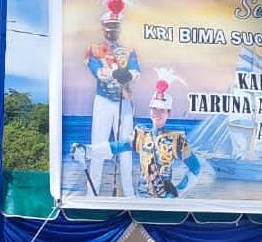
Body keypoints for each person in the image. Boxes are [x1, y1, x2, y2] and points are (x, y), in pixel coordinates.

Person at [76, 69, 201, 199]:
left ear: (168, 113)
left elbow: (196, 168)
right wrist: (87, 150)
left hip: (164, 203)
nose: (157, 113)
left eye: (161, 110)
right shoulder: (141, 136)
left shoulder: (176, 140)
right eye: (154, 109)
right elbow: (115, 147)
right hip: (140, 200)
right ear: (150, 110)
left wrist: (178, 191)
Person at [84, 0, 139, 196]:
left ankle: (129, 193)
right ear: (102, 28)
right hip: (104, 101)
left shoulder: (129, 49)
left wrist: (130, 75)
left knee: (126, 147)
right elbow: (96, 70)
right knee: (98, 146)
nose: (112, 30)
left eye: (115, 26)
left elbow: (136, 70)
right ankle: (92, 193)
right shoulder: (94, 49)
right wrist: (114, 73)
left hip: (124, 103)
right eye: (109, 26)